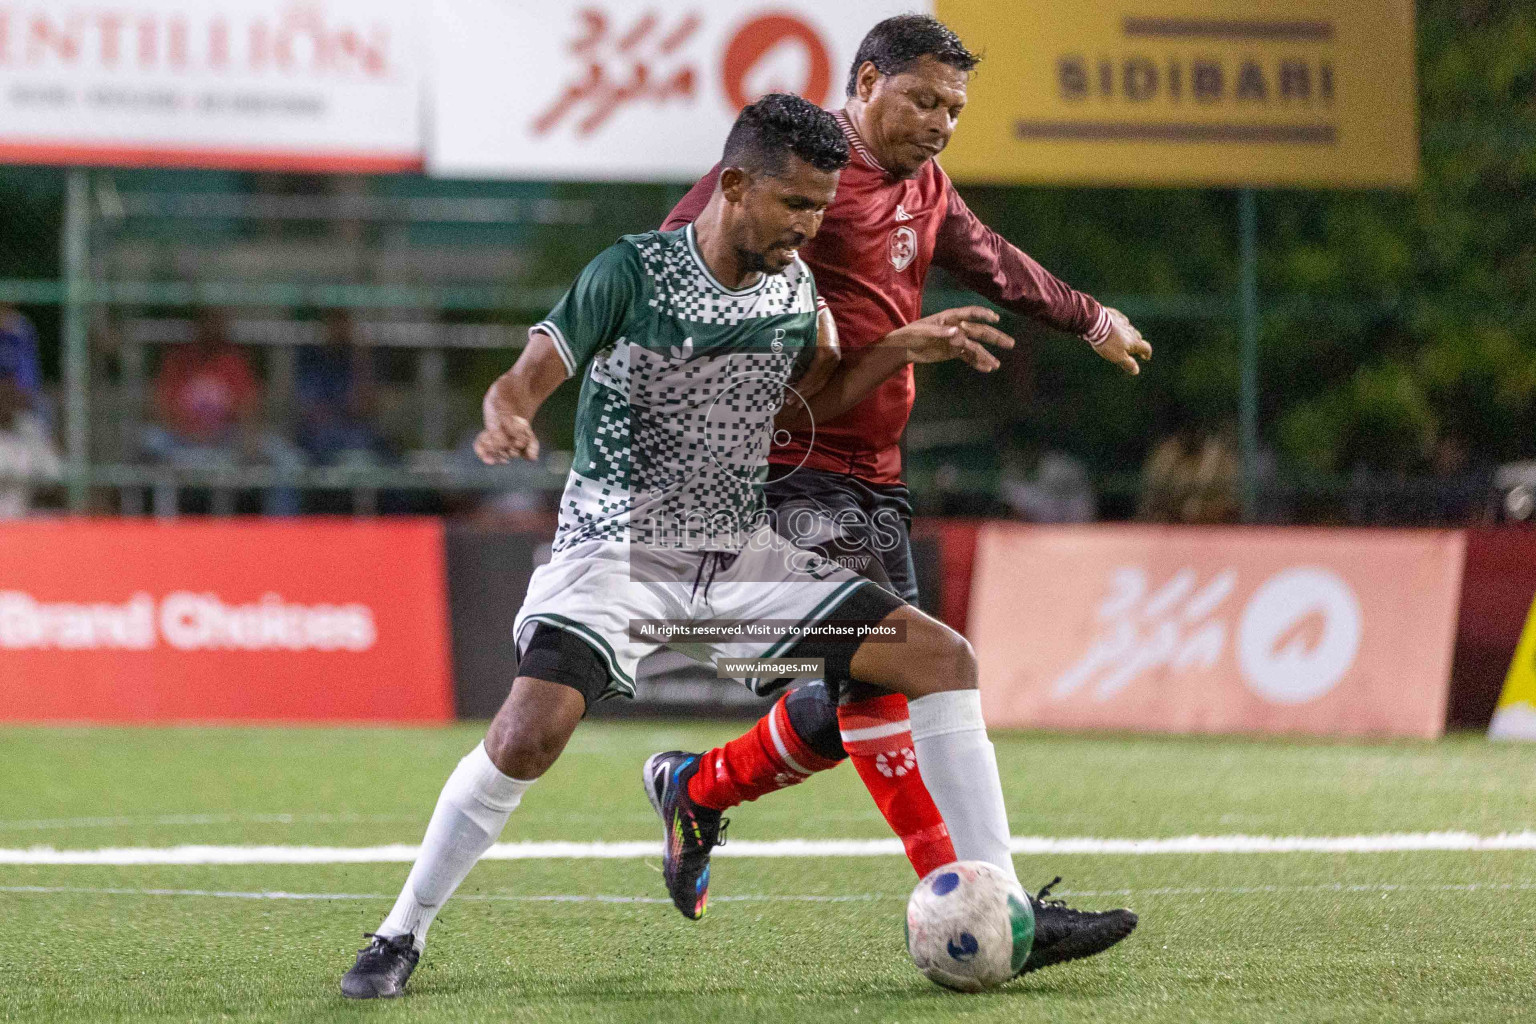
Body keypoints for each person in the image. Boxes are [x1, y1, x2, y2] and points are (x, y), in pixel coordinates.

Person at [340, 94, 1023, 1000]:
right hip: (616, 553)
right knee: (529, 733)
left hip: (735, 557)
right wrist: (506, 414)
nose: (811, 225)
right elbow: (528, 373)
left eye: (823, 207)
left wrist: (897, 346)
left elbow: (805, 399)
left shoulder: (794, 291)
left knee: (939, 657)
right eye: (796, 205)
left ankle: (1000, 898)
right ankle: (400, 933)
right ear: (735, 184)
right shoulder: (632, 272)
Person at [644, 13, 1147, 969]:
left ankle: (697, 788)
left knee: (862, 695)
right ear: (867, 82)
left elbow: (992, 256)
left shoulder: (925, 183)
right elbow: (677, 255)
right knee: (898, 679)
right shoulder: (803, 168)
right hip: (789, 466)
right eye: (924, 99)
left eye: (955, 106)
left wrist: (1090, 320)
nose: (942, 120)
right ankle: (996, 904)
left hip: (873, 472)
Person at [141, 309, 305, 515]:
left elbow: (249, 409)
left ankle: (283, 531)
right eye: (207, 323)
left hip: (224, 439)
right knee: (149, 439)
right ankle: (156, 527)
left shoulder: (233, 361)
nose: (212, 329)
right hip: (182, 441)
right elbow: (159, 407)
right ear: (198, 326)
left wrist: (243, 437)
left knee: (286, 458)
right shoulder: (179, 359)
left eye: (217, 323)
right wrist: (190, 431)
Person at [295, 310, 390, 467]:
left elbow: (365, 407)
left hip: (355, 434)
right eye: (334, 322)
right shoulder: (310, 357)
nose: (339, 329)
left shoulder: (357, 358)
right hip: (318, 437)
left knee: (373, 449)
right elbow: (311, 411)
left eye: (343, 323)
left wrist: (361, 358)